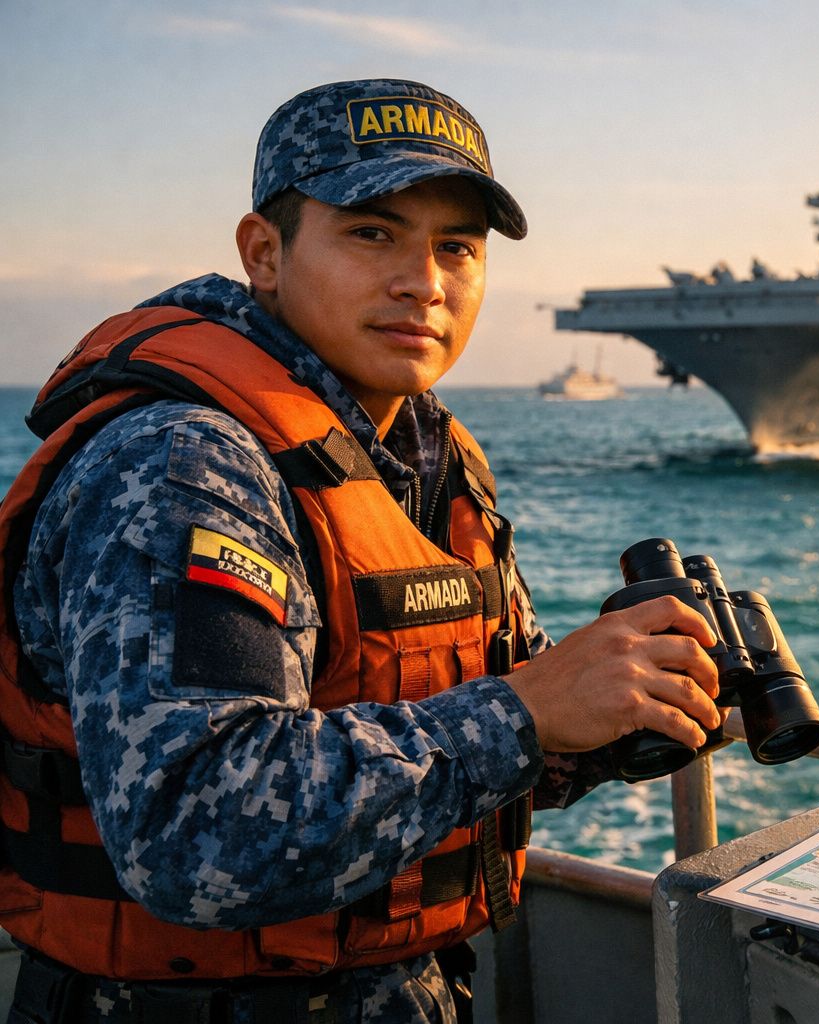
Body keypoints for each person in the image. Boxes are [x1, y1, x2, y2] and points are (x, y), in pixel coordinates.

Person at [0, 79, 722, 1023]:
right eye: (372, 233)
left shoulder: (427, 453)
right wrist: (528, 712)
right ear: (265, 252)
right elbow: (195, 834)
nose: (422, 281)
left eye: (455, 248)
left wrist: (623, 708)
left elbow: (461, 732)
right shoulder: (185, 464)